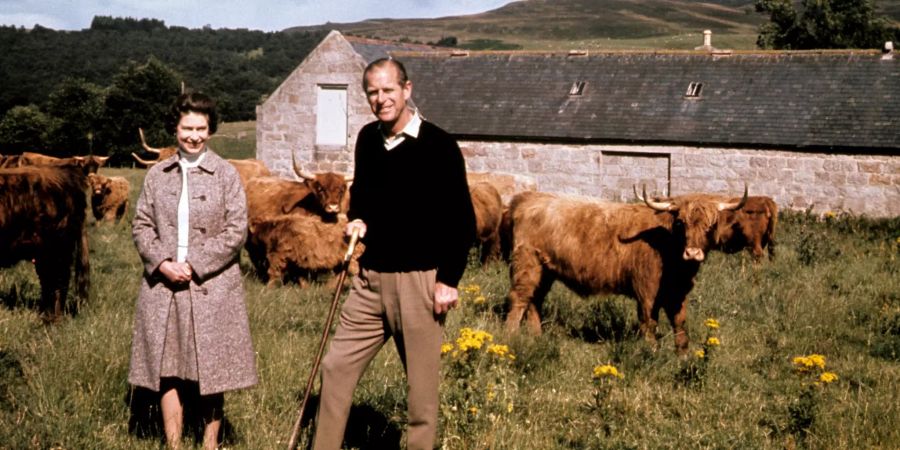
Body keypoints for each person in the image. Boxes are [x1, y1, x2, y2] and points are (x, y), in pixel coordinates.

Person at [312, 58, 476, 450]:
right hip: (369, 281)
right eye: (373, 92)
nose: (381, 99)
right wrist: (357, 220)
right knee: (334, 368)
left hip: (420, 282)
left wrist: (448, 280)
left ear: (407, 90)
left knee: (420, 396)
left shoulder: (439, 146)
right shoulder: (368, 140)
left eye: (388, 90)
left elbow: (462, 222)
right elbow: (365, 198)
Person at [128, 92, 258, 449]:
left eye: (201, 128)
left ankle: (210, 443)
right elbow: (141, 225)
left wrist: (196, 265)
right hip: (163, 287)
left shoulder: (226, 175)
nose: (194, 136)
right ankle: (173, 443)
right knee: (168, 368)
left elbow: (236, 231)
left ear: (211, 130)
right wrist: (162, 264)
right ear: (175, 128)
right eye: (188, 128)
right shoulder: (157, 175)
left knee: (211, 369)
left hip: (212, 286)